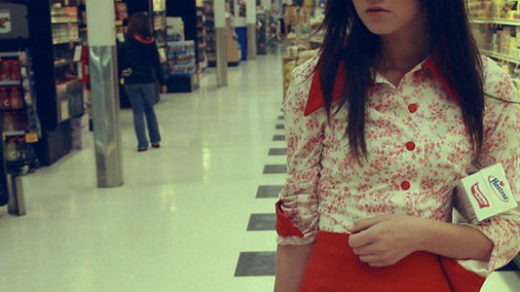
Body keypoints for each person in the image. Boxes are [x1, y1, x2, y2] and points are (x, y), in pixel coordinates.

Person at [274, 0, 520, 291]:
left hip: (425, 279)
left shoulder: (484, 86)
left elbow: (507, 226)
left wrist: (422, 234)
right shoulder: (316, 82)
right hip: (332, 279)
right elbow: (298, 220)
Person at [119, 12, 166, 152]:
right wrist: (162, 82)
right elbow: (156, 63)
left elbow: (121, 61)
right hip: (148, 81)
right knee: (150, 110)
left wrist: (121, 75)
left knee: (137, 113)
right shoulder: (151, 41)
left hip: (131, 80)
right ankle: (155, 140)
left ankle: (142, 143)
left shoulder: (125, 41)